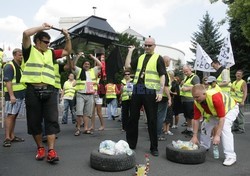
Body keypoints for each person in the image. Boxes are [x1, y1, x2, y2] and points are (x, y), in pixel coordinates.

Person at [21, 23, 72, 163]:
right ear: (37, 42)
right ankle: (40, 148)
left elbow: (67, 51)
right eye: (46, 42)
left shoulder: (51, 52)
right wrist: (41, 27)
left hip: (49, 91)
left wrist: (67, 36)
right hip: (32, 90)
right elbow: (26, 33)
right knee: (34, 121)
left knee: (52, 121)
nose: (48, 45)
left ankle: (51, 150)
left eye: (49, 42)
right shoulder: (28, 50)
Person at [125, 37, 166, 156]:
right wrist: (130, 51)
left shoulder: (158, 58)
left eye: (149, 45)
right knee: (133, 117)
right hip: (138, 89)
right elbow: (127, 66)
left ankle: (154, 147)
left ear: (154, 46)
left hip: (151, 90)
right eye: (145, 45)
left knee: (152, 119)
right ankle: (131, 144)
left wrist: (160, 91)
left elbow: (162, 75)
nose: (147, 47)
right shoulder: (140, 57)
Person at [191, 84, 239, 166]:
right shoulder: (197, 102)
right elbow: (196, 119)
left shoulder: (215, 97)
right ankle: (204, 146)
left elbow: (222, 118)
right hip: (215, 113)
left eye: (197, 97)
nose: (195, 99)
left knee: (225, 127)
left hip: (230, 109)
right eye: (194, 97)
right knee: (205, 125)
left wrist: (217, 135)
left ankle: (230, 156)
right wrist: (194, 136)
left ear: (204, 94)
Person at [71, 53, 101, 136]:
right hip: (81, 94)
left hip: (90, 95)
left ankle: (86, 128)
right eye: (85, 64)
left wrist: (93, 57)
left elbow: (100, 65)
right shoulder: (79, 70)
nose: (87, 65)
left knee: (87, 113)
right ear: (83, 65)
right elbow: (73, 65)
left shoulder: (93, 71)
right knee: (79, 113)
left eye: (88, 64)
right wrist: (78, 56)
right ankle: (78, 129)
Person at [3, 48, 26, 147]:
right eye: (19, 55)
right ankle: (7, 138)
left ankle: (12, 136)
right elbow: (8, 82)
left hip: (19, 95)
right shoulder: (9, 66)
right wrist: (12, 95)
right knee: (10, 116)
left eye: (22, 55)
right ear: (14, 55)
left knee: (14, 116)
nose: (21, 57)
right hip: (13, 95)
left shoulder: (19, 66)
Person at [180, 65, 200, 136]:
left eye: (186, 71)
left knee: (191, 116)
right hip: (185, 99)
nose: (185, 73)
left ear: (190, 70)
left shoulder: (195, 77)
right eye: (184, 72)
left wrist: (187, 89)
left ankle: (193, 131)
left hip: (190, 99)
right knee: (187, 116)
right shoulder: (186, 77)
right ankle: (188, 129)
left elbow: (197, 86)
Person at [157, 56, 171, 140]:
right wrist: (169, 97)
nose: (169, 62)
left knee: (156, 116)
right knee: (161, 117)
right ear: (166, 61)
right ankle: (158, 134)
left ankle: (154, 133)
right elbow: (165, 86)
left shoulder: (158, 70)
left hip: (156, 95)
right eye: (169, 61)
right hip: (163, 97)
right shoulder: (164, 72)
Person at [231, 70, 248, 134]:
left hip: (240, 101)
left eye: (239, 74)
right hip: (234, 102)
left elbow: (245, 92)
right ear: (235, 74)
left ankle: (241, 128)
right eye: (237, 73)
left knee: (240, 115)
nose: (238, 75)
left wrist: (243, 101)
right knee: (235, 115)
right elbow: (232, 91)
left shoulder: (242, 82)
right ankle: (236, 127)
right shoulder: (234, 82)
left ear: (242, 75)